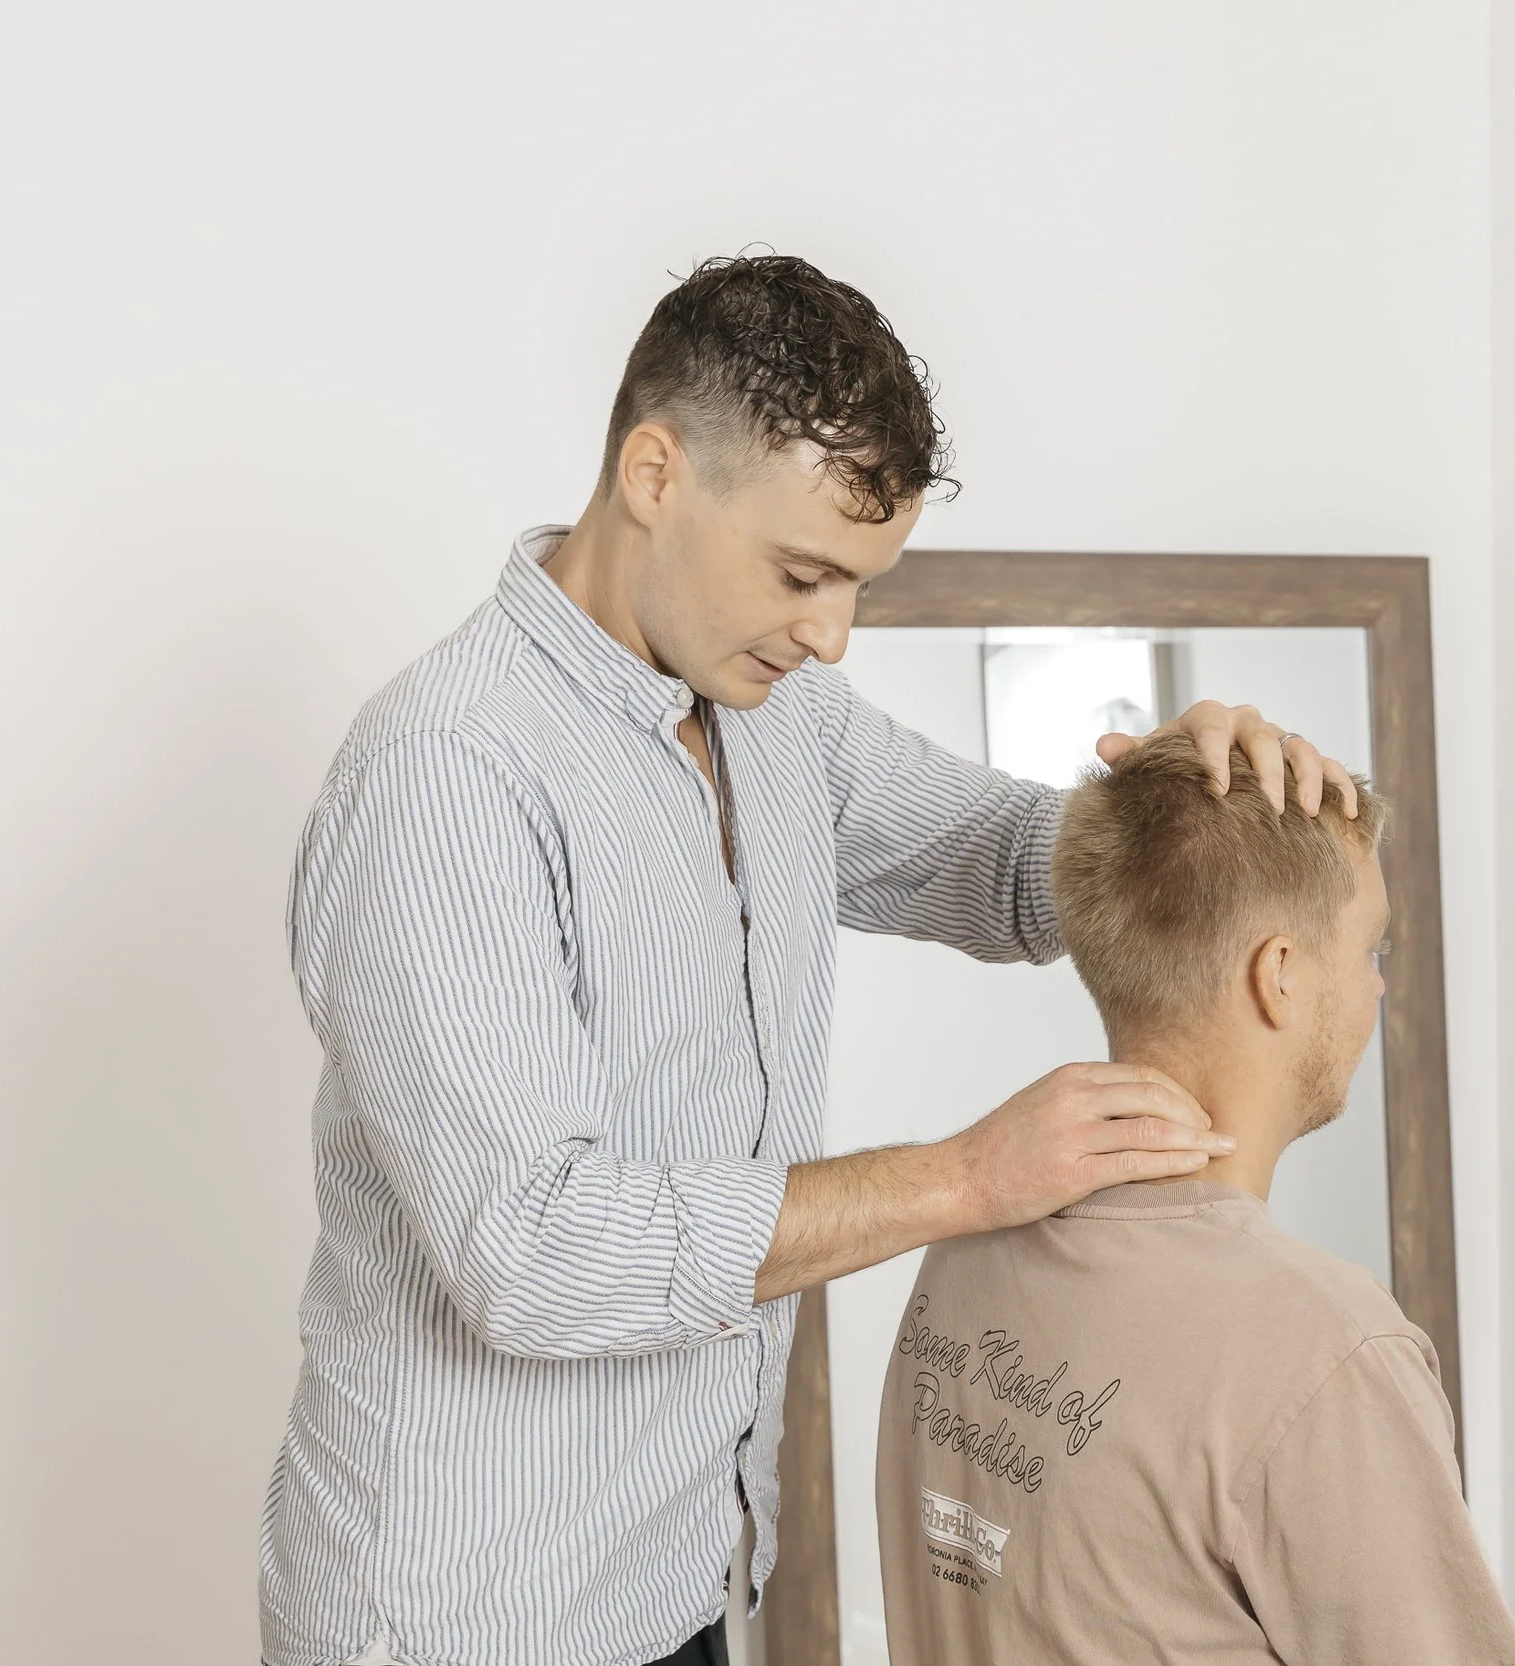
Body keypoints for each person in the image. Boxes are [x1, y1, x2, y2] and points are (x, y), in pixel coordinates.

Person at [258, 253, 1362, 1666]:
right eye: (803, 573)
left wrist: (1184, 795)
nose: (832, 634)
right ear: (654, 472)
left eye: (858, 585)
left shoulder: (778, 718)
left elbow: (1000, 858)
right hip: (470, 1618)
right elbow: (532, 1251)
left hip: (690, 1580)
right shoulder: (447, 773)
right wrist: (966, 1178)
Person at [875, 733, 1515, 1665]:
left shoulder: (968, 1249)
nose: (1379, 981)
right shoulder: (1326, 1352)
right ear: (1281, 974)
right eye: (1370, 945)